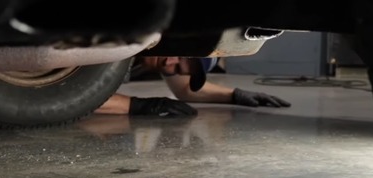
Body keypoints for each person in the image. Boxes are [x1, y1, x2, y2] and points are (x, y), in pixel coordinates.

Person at [0, 56, 290, 119]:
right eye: (181, 61)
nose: (175, 66)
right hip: (12, 68)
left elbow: (188, 92)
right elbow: (76, 98)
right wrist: (138, 109)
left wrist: (235, 96)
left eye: (183, 66)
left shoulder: (164, 55)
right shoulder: (122, 46)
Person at [95, 56, 290, 116]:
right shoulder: (119, 30)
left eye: (178, 68)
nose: (168, 63)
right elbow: (72, 95)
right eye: (178, 55)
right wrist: (135, 106)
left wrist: (235, 95)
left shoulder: (163, 57)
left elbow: (185, 89)